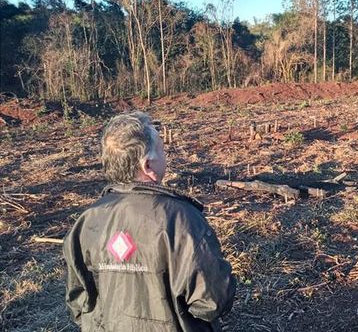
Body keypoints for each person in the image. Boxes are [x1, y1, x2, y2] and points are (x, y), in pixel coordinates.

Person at [63, 111, 236, 332]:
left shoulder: (86, 222)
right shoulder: (182, 219)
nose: (166, 155)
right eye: (162, 149)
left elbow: (78, 300)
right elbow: (212, 301)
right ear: (148, 166)